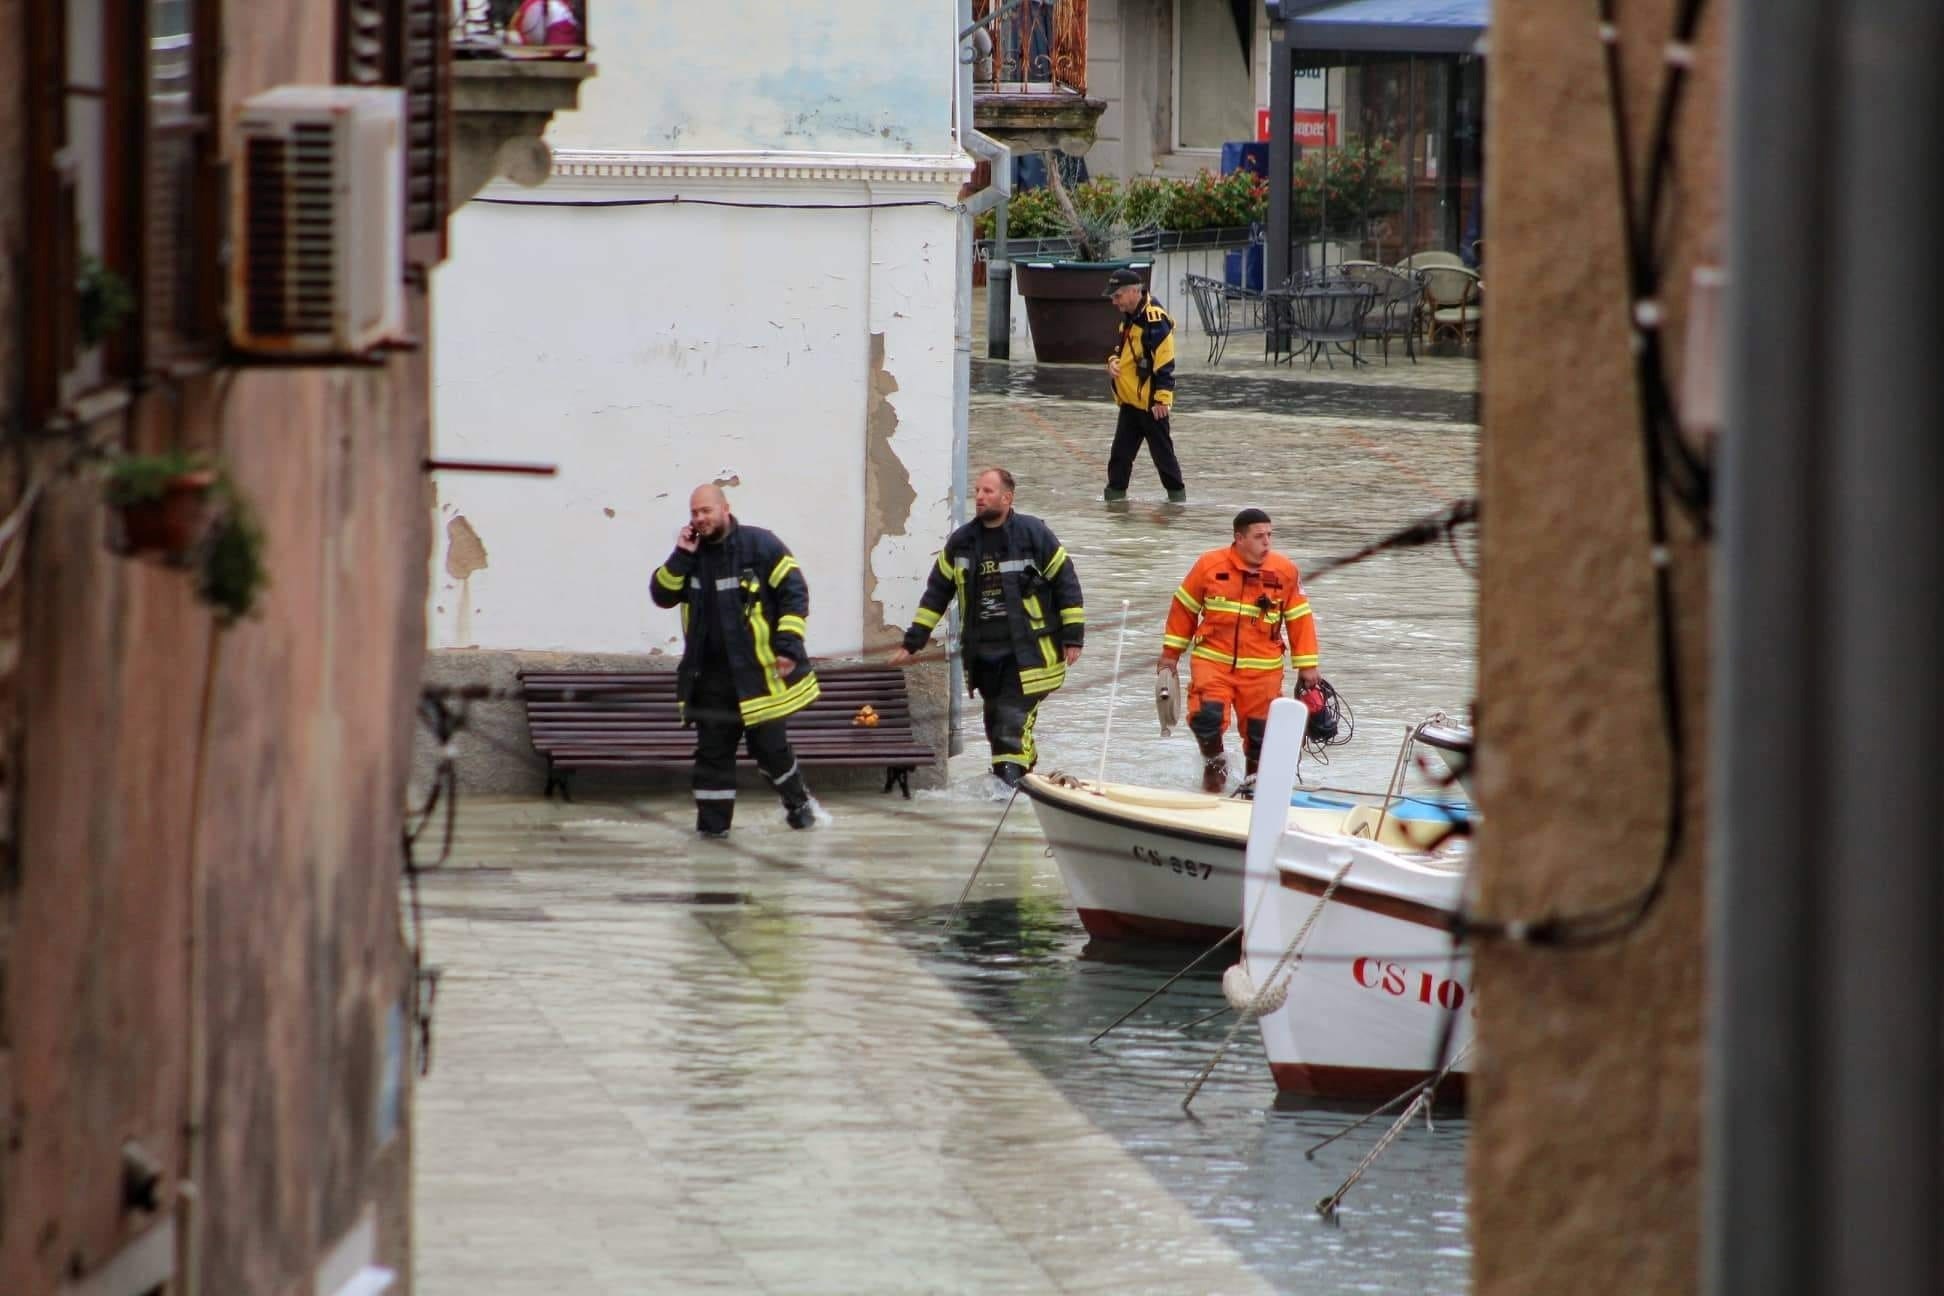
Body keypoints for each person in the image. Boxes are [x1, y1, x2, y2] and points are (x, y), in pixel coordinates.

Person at [888, 467, 1084, 788]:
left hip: (1032, 656)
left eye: (988, 491)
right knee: (997, 726)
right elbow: (937, 593)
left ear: (1008, 498)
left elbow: (1067, 584)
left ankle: (1005, 796)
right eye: (977, 490)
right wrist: (912, 642)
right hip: (984, 659)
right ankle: (1025, 786)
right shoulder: (962, 543)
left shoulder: (1034, 534)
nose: (979, 496)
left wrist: (1074, 637)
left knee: (1009, 723)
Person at [650, 485, 822, 837]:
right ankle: (713, 833)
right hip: (709, 680)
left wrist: (788, 648)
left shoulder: (761, 546)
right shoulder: (691, 555)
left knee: (770, 750)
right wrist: (680, 554)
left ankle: (798, 803)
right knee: (712, 760)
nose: (699, 518)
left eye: (706, 511)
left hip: (758, 676)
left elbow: (795, 593)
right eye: (694, 512)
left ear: (725, 509)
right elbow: (661, 594)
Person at [1159, 508, 1321, 793]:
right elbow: (1184, 610)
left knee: (1261, 735)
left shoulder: (1284, 571)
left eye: (1270, 535)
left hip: (1263, 670)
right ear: (1239, 538)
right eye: (1259, 536)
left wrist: (1307, 666)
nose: (1267, 543)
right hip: (1213, 662)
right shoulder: (1209, 566)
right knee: (1205, 719)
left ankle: (1252, 788)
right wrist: (1170, 655)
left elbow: (1300, 619)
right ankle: (1214, 764)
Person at [1102, 267, 1184, 503]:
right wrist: (1112, 362)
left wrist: (1162, 399)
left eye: (1117, 296)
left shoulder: (1155, 320)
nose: (1114, 302)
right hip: (1129, 403)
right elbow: (1120, 348)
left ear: (1132, 292)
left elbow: (1166, 362)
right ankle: (1114, 505)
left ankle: (1178, 504)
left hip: (1150, 405)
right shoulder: (1129, 315)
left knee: (1163, 458)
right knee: (1119, 457)